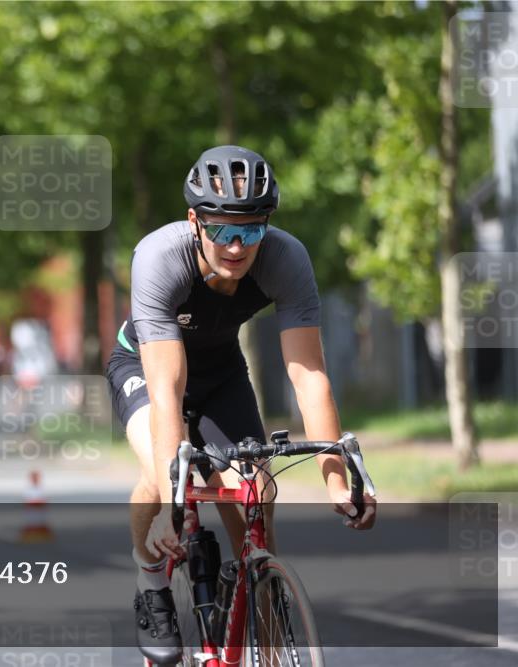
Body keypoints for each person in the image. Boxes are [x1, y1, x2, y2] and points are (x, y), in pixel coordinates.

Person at [105, 145, 377, 663]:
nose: (236, 245)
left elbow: (309, 375)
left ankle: (259, 619)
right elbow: (166, 389)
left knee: (256, 490)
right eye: (222, 230)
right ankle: (152, 585)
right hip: (144, 368)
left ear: (267, 226)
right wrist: (171, 502)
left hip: (221, 369)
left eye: (251, 230)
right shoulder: (159, 258)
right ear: (194, 221)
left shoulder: (286, 258)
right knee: (163, 465)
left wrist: (336, 479)